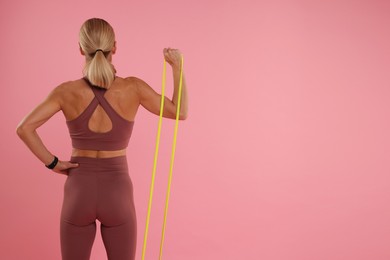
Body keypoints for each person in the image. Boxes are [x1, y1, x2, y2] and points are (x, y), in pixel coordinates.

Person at [16, 18, 188, 260]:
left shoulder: (65, 92)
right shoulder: (133, 88)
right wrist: (177, 67)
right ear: (114, 47)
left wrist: (54, 163)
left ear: (80, 49)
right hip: (117, 192)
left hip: (79, 190)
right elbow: (179, 112)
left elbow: (24, 128)